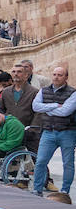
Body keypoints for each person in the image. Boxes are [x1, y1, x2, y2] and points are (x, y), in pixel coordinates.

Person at [31, 65, 76, 195]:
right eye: (54, 74)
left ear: (66, 77)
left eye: (60, 75)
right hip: (48, 132)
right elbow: (35, 106)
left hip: (67, 132)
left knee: (68, 163)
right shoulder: (43, 91)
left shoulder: (73, 93)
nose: (56, 77)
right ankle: (37, 189)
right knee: (40, 161)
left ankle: (64, 191)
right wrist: (55, 106)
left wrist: (46, 108)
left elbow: (65, 111)